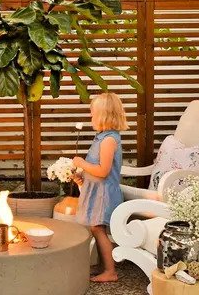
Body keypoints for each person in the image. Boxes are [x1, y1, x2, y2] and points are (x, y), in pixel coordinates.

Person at [72, 92, 128, 283]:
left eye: (93, 113)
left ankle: (110, 271)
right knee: (96, 228)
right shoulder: (101, 138)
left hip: (103, 193)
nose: (91, 116)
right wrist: (82, 177)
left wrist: (81, 162)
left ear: (104, 115)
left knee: (98, 229)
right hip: (96, 190)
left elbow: (103, 171)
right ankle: (104, 266)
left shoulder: (109, 140)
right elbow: (95, 168)